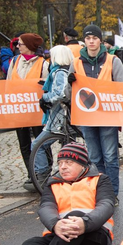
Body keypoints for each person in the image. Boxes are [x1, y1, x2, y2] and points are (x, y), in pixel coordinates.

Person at [17, 143, 115, 245]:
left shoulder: (100, 180)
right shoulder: (52, 183)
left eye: (69, 162)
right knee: (31, 244)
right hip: (59, 238)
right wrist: (55, 224)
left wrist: (84, 223)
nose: (62, 167)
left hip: (94, 239)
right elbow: (46, 207)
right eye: (60, 163)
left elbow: (107, 205)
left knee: (76, 216)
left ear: (82, 165)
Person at [69, 24, 123, 200]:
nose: (91, 41)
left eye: (94, 38)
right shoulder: (76, 62)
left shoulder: (112, 61)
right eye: (88, 38)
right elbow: (68, 93)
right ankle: (100, 192)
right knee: (94, 157)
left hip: (107, 116)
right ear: (84, 41)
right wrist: (69, 82)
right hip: (87, 117)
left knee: (110, 157)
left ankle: (112, 193)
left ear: (100, 40)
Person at [7, 33, 50, 191]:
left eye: (21, 44)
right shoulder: (15, 62)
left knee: (41, 142)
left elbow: (46, 85)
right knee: (24, 143)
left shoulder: (42, 64)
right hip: (20, 110)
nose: (18, 46)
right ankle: (31, 174)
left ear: (30, 46)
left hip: (37, 112)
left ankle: (44, 171)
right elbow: (9, 83)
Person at [29, 45, 75, 181]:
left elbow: (60, 93)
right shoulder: (67, 70)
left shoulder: (59, 72)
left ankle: (42, 175)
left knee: (38, 144)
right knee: (69, 147)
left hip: (59, 116)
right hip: (68, 115)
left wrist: (45, 98)